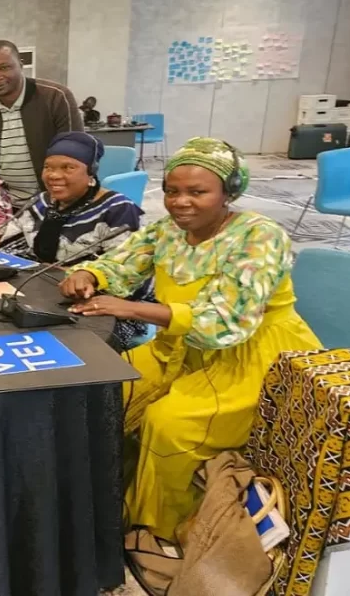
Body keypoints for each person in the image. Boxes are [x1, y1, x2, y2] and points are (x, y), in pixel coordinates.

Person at [58, 138, 321, 560]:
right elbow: (121, 263)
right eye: (172, 191)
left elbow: (226, 322)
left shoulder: (260, 236)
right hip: (178, 348)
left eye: (197, 192)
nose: (180, 202)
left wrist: (132, 308)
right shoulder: (167, 230)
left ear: (228, 192)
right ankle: (109, 493)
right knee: (106, 388)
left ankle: (162, 527)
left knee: (169, 423)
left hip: (250, 358)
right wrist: (90, 274)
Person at [0, 39, 83, 204]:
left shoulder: (56, 97)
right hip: (4, 206)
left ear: (20, 65)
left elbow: (76, 155)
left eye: (4, 68)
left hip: (57, 202)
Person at [0, 131, 141, 262]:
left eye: (68, 168)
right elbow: (4, 239)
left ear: (90, 172)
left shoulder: (118, 209)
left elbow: (123, 267)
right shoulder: (41, 201)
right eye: (48, 167)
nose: (54, 175)